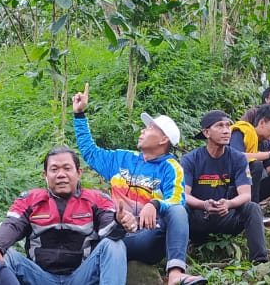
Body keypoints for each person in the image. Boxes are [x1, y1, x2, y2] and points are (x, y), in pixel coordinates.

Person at [71, 84, 206, 285]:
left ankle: (176, 275)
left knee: (178, 211)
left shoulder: (171, 167)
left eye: (150, 128)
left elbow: (177, 199)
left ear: (164, 139)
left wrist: (155, 204)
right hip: (117, 236)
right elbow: (90, 152)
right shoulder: (122, 158)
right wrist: (79, 114)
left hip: (148, 238)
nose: (143, 130)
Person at [0, 147, 128, 285]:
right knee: (3, 254)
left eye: (67, 168)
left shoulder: (97, 199)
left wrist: (118, 221)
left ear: (79, 173)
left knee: (114, 245)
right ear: (45, 175)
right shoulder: (29, 199)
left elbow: (108, 230)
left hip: (82, 277)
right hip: (38, 277)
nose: (61, 175)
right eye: (54, 169)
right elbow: (12, 225)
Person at [182, 110, 268, 263]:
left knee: (252, 208)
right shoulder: (190, 159)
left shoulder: (238, 158)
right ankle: (176, 261)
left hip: (226, 217)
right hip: (198, 218)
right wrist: (204, 205)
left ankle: (260, 261)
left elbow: (246, 194)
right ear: (206, 132)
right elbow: (184, 195)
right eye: (220, 126)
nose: (226, 130)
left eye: (228, 126)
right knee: (179, 208)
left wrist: (229, 204)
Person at [230, 104, 270, 229]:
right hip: (231, 188)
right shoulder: (241, 132)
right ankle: (253, 214)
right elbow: (236, 157)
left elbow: (269, 171)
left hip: (252, 189)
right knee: (256, 164)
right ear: (262, 123)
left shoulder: (265, 143)